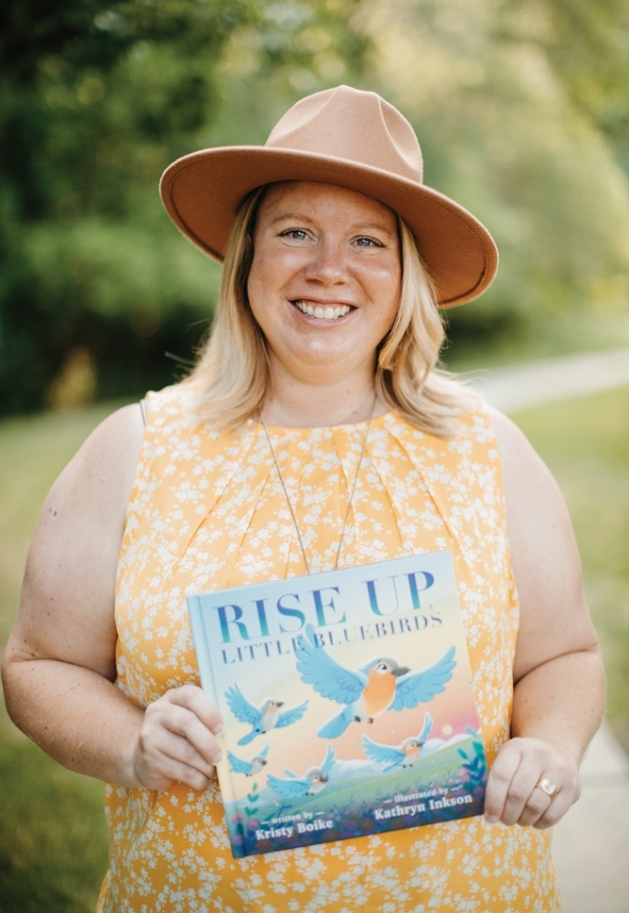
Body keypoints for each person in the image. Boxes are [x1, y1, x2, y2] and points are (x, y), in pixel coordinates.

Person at [2, 85, 604, 912]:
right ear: (246, 256)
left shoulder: (486, 449)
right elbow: (38, 666)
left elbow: (563, 654)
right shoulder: (135, 448)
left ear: (406, 278)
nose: (329, 267)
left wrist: (551, 747)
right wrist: (133, 742)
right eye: (294, 232)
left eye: (367, 239)